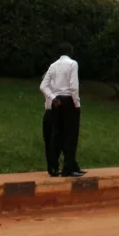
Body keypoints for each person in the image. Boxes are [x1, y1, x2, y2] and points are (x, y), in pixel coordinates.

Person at [39, 43, 85, 178]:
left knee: (57, 134)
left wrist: (53, 97)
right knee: (71, 135)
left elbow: (43, 86)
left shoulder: (53, 65)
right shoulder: (72, 64)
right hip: (69, 100)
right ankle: (68, 168)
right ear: (70, 52)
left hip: (56, 102)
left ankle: (53, 167)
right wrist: (76, 103)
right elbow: (73, 86)